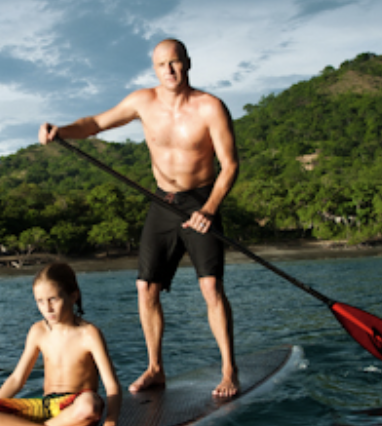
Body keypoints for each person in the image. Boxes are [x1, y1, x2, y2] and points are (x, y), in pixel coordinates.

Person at [39, 38, 240, 398]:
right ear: (155, 69)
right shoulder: (142, 102)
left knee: (210, 287)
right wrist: (61, 131)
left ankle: (229, 370)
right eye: (163, 64)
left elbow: (231, 166)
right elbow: (97, 123)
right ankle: (156, 369)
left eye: (176, 62)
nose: (170, 70)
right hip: (162, 200)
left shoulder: (210, 107)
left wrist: (209, 209)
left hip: (201, 200)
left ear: (188, 63)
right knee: (145, 288)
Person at [0, 261, 122, 426]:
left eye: (53, 299)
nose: (47, 308)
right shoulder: (37, 331)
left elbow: (112, 386)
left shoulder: (89, 334)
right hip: (45, 406)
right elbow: (17, 379)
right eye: (40, 301)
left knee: (90, 406)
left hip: (74, 408)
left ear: (73, 295)